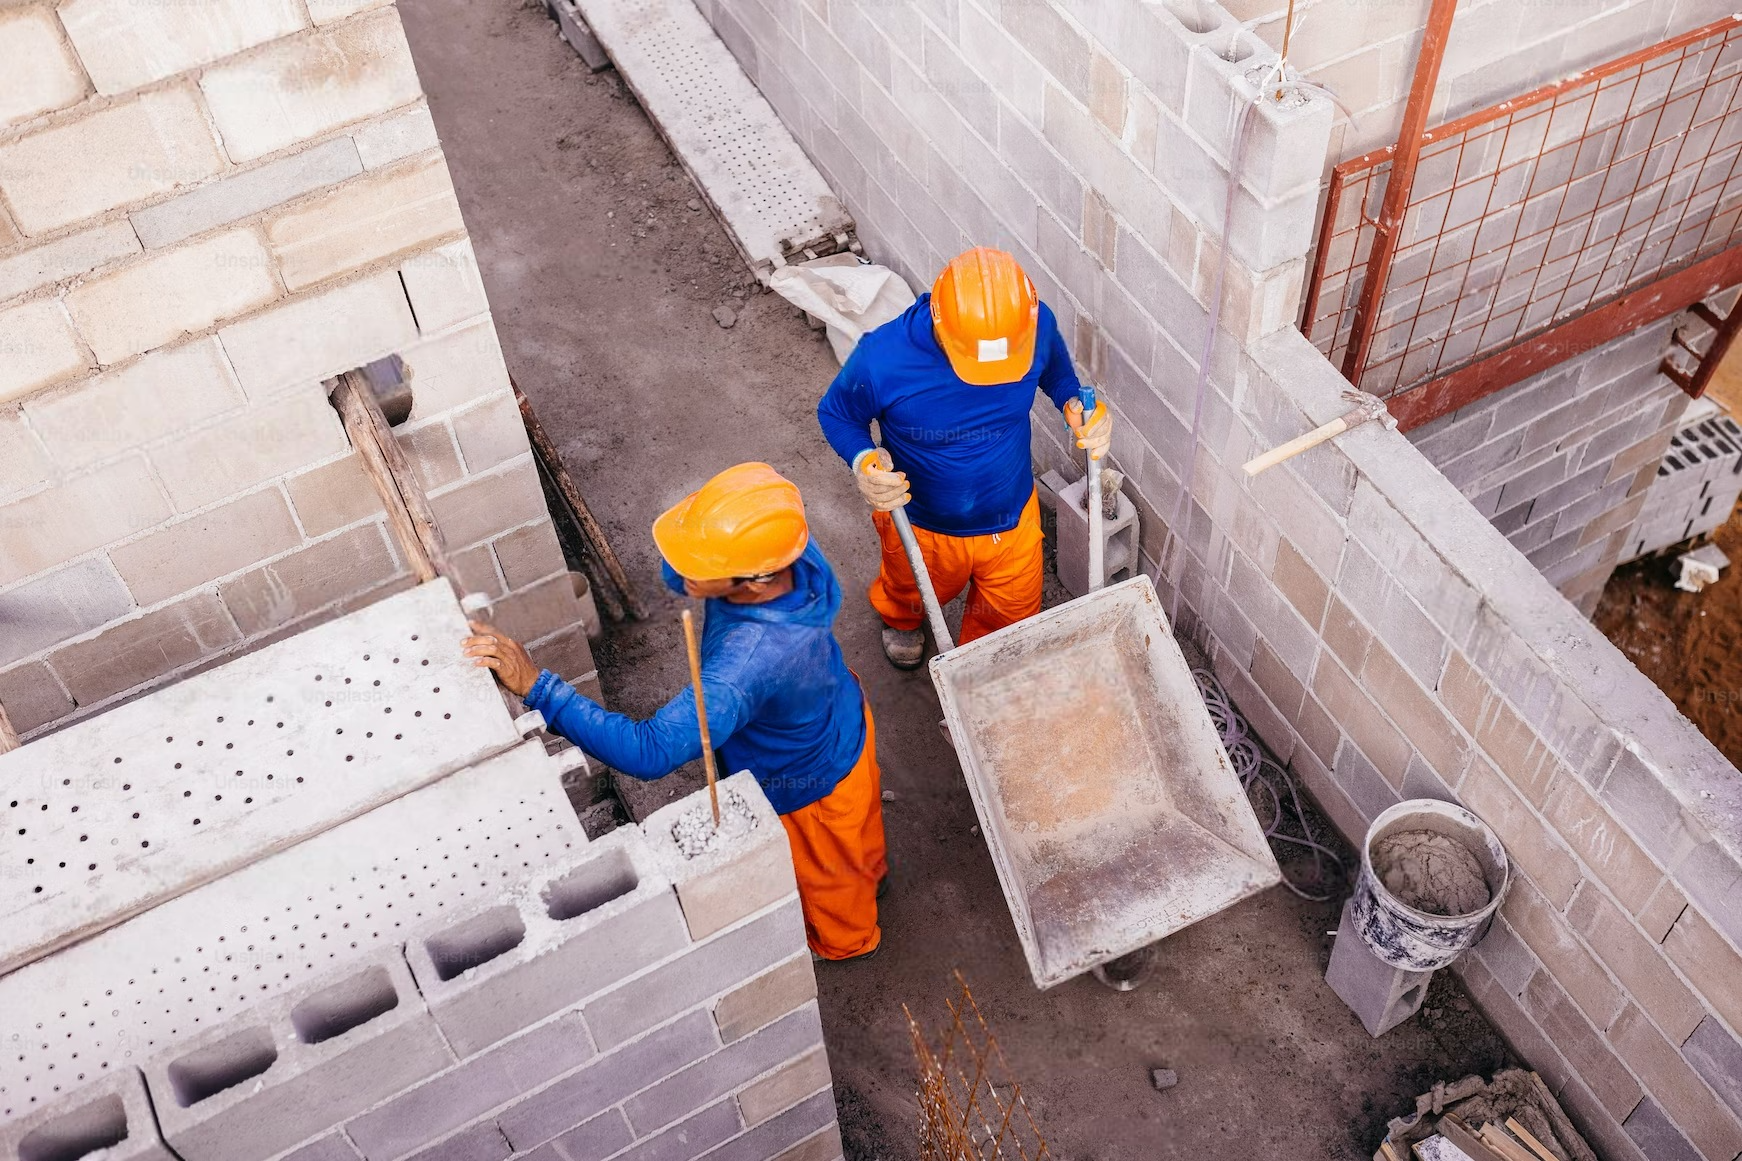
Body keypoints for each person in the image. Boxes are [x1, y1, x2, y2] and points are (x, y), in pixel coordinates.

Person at [463, 462, 886, 962]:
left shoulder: (744, 668)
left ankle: (847, 943)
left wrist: (540, 687)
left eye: (700, 561)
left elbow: (651, 751)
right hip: (843, 724)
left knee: (831, 883)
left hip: (806, 784)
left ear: (751, 581)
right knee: (857, 843)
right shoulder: (788, 551)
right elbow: (685, 570)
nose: (684, 570)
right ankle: (868, 875)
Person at [816, 247, 1112, 668]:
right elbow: (837, 413)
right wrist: (863, 460)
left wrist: (1076, 405)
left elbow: (1058, 375)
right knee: (912, 590)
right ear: (942, 330)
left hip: (1011, 517)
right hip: (923, 523)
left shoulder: (1032, 326)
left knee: (1008, 629)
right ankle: (901, 618)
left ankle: (981, 671)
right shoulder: (883, 358)